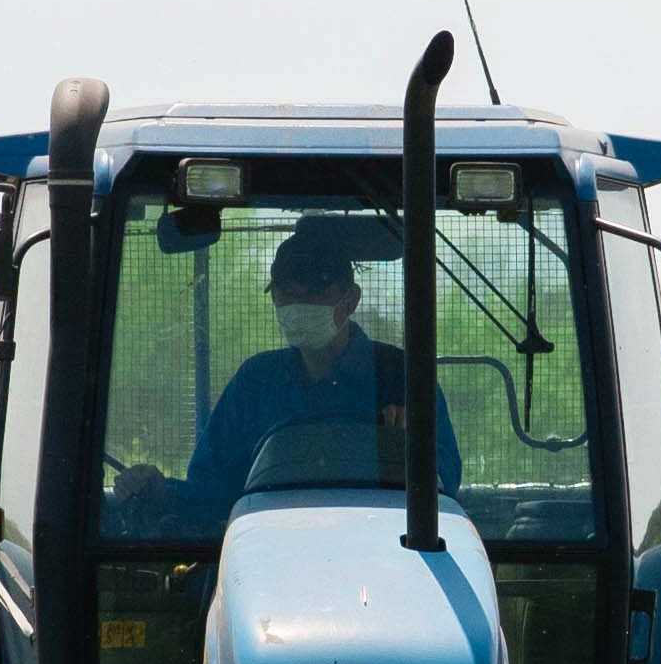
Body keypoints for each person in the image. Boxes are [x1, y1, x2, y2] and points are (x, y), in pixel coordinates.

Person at [182, 210, 461, 525]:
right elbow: (208, 488)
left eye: (316, 291)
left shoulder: (402, 377)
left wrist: (405, 450)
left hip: (384, 541)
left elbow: (445, 483)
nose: (299, 304)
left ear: (351, 299)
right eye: (286, 292)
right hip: (271, 541)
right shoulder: (256, 382)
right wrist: (156, 489)